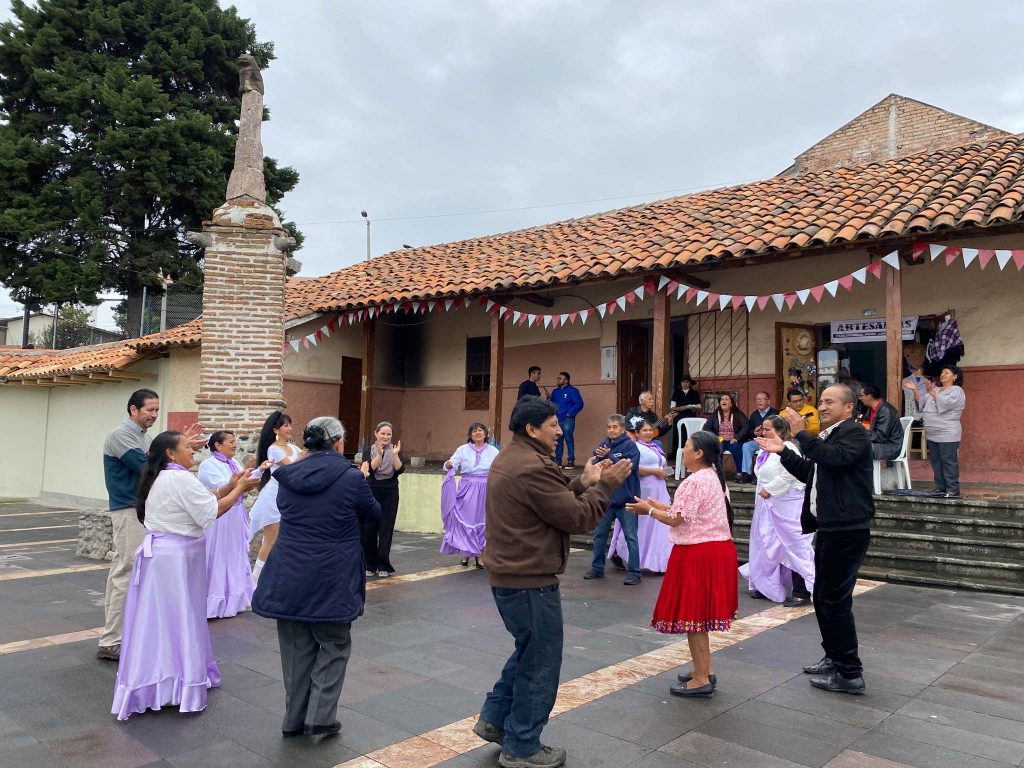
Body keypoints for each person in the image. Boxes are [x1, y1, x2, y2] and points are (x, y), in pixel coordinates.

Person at [473, 396, 631, 768]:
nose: (560, 431)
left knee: (529, 650)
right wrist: (604, 487)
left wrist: (582, 481)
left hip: (513, 574)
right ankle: (522, 746)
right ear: (531, 429)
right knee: (541, 660)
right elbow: (576, 517)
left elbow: (548, 500)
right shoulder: (530, 465)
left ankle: (496, 720)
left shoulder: (514, 458)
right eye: (553, 425)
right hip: (528, 579)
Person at [112, 431, 260, 720]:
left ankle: (163, 680)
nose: (193, 451)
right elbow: (212, 512)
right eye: (186, 447)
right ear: (170, 453)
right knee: (178, 619)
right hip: (176, 559)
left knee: (163, 620)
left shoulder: (166, 477)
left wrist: (229, 485)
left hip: (167, 556)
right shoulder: (178, 478)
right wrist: (239, 488)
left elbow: (202, 500)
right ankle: (178, 682)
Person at [252, 417, 380, 744]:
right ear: (337, 443)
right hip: (332, 573)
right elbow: (373, 513)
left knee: (295, 648)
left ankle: (293, 719)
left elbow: (284, 510)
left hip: (289, 570)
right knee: (334, 644)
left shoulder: (287, 475)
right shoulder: (351, 477)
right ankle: (320, 719)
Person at [757, 384, 874, 695]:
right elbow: (813, 472)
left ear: (849, 407)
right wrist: (783, 451)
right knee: (823, 597)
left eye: (829, 402)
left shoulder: (854, 433)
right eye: (820, 401)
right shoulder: (830, 437)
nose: (821, 407)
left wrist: (800, 434)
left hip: (848, 529)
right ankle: (834, 657)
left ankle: (849, 671)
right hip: (830, 527)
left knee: (834, 600)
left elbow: (833, 460)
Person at [625, 430, 738, 699]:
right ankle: (704, 668)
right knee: (700, 618)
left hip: (698, 555)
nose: (683, 450)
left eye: (686, 446)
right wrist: (656, 504)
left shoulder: (695, 481)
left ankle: (700, 678)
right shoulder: (712, 477)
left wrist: (649, 511)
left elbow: (677, 520)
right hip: (715, 551)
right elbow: (684, 513)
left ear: (698, 453)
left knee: (694, 619)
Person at [98, 388, 204, 661]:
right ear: (133, 410)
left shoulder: (141, 437)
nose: (154, 415)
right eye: (150, 410)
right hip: (127, 511)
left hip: (136, 511)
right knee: (127, 572)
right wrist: (178, 450)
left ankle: (116, 635)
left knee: (121, 571)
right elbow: (147, 466)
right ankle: (112, 640)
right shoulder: (121, 436)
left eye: (157, 410)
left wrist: (182, 447)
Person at [740, 415, 814, 606]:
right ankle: (769, 585)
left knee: (794, 544)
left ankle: (802, 591)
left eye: (768, 429)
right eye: (762, 429)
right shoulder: (765, 450)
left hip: (786, 504)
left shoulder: (788, 448)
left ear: (780, 431)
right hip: (768, 504)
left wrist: (769, 489)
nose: (763, 432)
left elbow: (789, 475)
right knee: (766, 542)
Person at [198, 431, 256, 618]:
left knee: (235, 554)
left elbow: (241, 484)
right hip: (221, 515)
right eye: (231, 442)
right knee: (219, 555)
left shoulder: (234, 463)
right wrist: (238, 483)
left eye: (235, 441)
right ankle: (215, 601)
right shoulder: (208, 465)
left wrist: (255, 471)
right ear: (218, 445)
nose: (234, 445)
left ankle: (236, 598)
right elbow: (221, 489)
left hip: (236, 514)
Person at [584, 415, 643, 585]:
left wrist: (611, 457)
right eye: (609, 427)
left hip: (627, 500)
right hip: (606, 499)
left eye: (615, 427)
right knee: (599, 535)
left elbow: (628, 468)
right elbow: (594, 465)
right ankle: (597, 567)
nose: (611, 430)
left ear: (623, 429)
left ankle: (634, 572)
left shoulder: (631, 446)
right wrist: (601, 457)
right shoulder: (603, 444)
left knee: (631, 536)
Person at [609, 421, 673, 573]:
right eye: (645, 430)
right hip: (644, 490)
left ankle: (658, 560)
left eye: (650, 430)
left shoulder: (656, 447)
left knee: (661, 525)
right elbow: (633, 468)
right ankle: (623, 551)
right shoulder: (635, 447)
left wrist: (666, 472)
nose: (649, 433)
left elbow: (660, 467)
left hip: (659, 489)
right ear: (637, 433)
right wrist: (654, 472)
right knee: (643, 525)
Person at [249, 411, 303, 582]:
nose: (290, 428)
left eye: (290, 425)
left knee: (284, 539)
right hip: (274, 498)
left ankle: (276, 576)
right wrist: (306, 453)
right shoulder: (273, 449)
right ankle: (255, 580)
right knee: (270, 540)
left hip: (289, 497)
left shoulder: (294, 448)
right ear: (276, 429)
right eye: (286, 425)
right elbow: (291, 467)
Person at [441, 422, 499, 568]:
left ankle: (480, 557)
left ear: (485, 434)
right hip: (467, 488)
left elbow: (500, 466)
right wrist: (449, 463)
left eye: (480, 430)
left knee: (483, 521)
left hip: (486, 488)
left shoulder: (493, 451)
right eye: (474, 431)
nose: (478, 433)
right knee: (467, 521)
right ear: (470, 435)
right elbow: (452, 462)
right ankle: (465, 555)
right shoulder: (463, 449)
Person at [906, 365, 966, 499]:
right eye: (942, 372)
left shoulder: (957, 391)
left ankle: (952, 490)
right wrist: (915, 390)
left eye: (947, 373)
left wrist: (930, 390)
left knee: (948, 461)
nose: (943, 375)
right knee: (936, 461)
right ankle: (940, 488)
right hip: (933, 433)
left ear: (955, 376)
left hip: (947, 433)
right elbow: (921, 402)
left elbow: (945, 404)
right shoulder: (937, 389)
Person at [360, 421, 404, 576]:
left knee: (386, 529)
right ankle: (370, 565)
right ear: (376, 434)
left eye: (389, 434)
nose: (386, 437)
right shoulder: (368, 451)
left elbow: (400, 470)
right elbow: (370, 470)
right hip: (371, 491)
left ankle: (383, 565)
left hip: (390, 492)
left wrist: (395, 454)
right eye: (383, 433)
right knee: (369, 529)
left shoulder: (395, 450)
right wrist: (379, 455)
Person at [702, 393, 749, 478]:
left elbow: (746, 426)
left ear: (731, 403)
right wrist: (715, 437)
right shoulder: (715, 414)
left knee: (736, 448)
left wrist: (736, 437)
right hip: (720, 439)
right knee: (717, 448)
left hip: (734, 440)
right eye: (722, 400)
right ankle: (719, 473)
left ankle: (739, 473)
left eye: (726, 399)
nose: (723, 401)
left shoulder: (738, 414)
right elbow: (706, 427)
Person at [739, 391, 778, 484]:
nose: (759, 401)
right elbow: (749, 432)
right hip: (759, 440)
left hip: (772, 441)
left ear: (768, 401)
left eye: (761, 399)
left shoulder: (775, 414)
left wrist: (767, 433)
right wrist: (755, 432)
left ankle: (759, 475)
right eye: (757, 400)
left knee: (766, 448)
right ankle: (746, 474)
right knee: (746, 446)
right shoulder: (754, 415)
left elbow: (779, 430)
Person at [856, 384, 904, 461]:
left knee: (855, 447)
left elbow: (880, 436)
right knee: (851, 444)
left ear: (869, 396)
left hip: (890, 446)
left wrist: (860, 433)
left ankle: (862, 472)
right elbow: (867, 424)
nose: (860, 398)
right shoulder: (872, 408)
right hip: (881, 443)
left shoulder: (886, 411)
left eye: (861, 395)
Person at [549, 371, 584, 469]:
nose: (558, 380)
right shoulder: (555, 391)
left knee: (569, 439)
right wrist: (549, 399)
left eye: (560, 378)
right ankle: (558, 461)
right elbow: (552, 403)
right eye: (558, 378)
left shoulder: (573, 391)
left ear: (566, 380)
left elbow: (579, 404)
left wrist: (570, 413)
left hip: (568, 419)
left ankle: (570, 461)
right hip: (557, 419)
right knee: (558, 440)